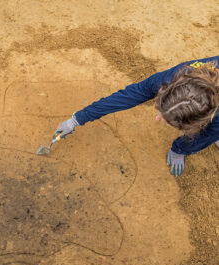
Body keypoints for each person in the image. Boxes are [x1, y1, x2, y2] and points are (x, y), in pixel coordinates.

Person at [56, 56, 219, 176]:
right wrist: (76, 119)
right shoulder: (171, 77)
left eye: (170, 122)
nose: (158, 118)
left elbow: (204, 136)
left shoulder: (216, 123)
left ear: (198, 123)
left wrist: (181, 149)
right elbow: (129, 95)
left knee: (211, 133)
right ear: (168, 88)